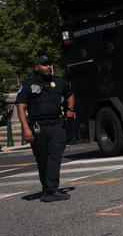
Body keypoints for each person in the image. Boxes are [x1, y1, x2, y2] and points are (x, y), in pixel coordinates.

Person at [15, 55, 75, 202]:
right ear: (36, 67)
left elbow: (70, 94)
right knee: (42, 159)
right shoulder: (28, 85)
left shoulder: (58, 81)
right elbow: (21, 107)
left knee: (55, 155)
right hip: (37, 127)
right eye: (44, 65)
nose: (48, 67)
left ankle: (51, 189)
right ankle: (47, 189)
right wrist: (26, 129)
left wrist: (71, 108)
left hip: (56, 125)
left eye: (49, 64)